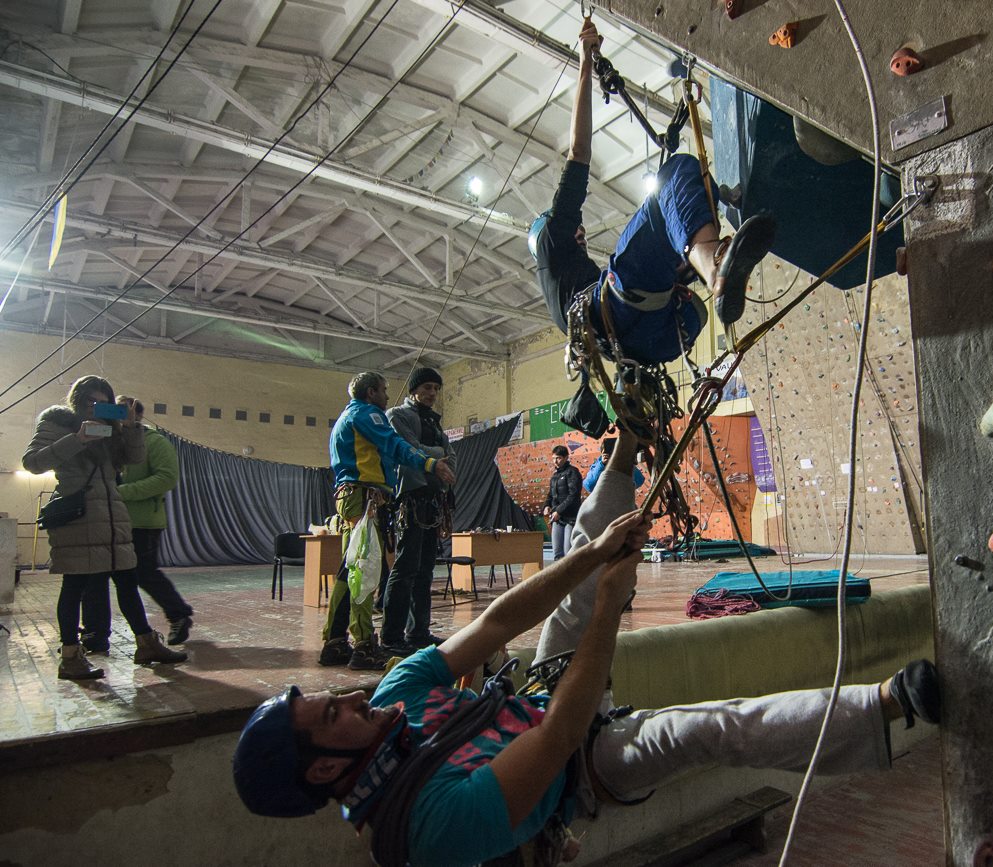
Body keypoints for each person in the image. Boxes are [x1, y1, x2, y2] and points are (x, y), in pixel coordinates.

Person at [232, 434, 941, 866]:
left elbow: (502, 619)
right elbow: (566, 732)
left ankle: (625, 451)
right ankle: (884, 704)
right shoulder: (427, 828)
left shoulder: (392, 698)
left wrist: (598, 556)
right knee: (703, 729)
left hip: (539, 700)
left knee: (572, 585)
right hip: (580, 764)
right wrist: (611, 598)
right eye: (335, 715)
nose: (354, 697)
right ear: (328, 765)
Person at [530, 19, 776, 366]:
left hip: (655, 341)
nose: (580, 231)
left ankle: (709, 253)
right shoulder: (552, 240)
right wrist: (586, 62)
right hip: (626, 313)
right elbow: (578, 151)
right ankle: (713, 264)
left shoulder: (564, 299)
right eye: (575, 229)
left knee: (682, 234)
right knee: (675, 176)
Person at [23, 376, 187, 680]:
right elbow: (32, 462)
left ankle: (146, 644)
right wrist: (78, 439)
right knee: (74, 587)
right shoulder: (57, 422)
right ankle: (71, 657)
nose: (98, 407)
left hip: (114, 518)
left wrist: (131, 426)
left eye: (105, 402)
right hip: (79, 519)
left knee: (127, 581)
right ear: (78, 401)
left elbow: (136, 457)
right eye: (92, 401)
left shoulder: (113, 430)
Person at [321, 371, 446, 671]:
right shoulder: (368, 415)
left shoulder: (348, 418)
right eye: (383, 390)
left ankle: (334, 641)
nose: (387, 395)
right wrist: (430, 463)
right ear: (370, 393)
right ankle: (363, 646)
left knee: (347, 571)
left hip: (355, 497)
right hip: (365, 498)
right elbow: (396, 445)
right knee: (364, 571)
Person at [82, 396, 195, 648]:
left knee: (143, 573)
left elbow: (166, 478)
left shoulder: (155, 443)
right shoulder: (104, 439)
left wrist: (122, 493)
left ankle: (179, 615)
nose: (119, 416)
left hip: (142, 522)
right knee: (96, 577)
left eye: (124, 412)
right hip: (105, 519)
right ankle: (95, 633)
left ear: (139, 416)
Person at [382, 367, 457, 654]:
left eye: (436, 389)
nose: (432, 394)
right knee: (405, 568)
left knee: (425, 570)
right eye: (427, 387)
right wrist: (437, 456)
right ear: (414, 389)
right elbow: (410, 450)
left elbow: (453, 458)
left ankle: (418, 633)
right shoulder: (398, 416)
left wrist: (437, 458)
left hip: (432, 502)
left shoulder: (435, 423)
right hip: (410, 500)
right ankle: (391, 636)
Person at [543, 444, 583, 559]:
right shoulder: (555, 476)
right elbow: (550, 495)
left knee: (568, 553)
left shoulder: (573, 472)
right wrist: (546, 505)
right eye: (554, 458)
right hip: (557, 518)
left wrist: (559, 511)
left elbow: (573, 495)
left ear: (566, 457)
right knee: (557, 553)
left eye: (558, 458)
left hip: (571, 518)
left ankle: (573, 576)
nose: (556, 461)